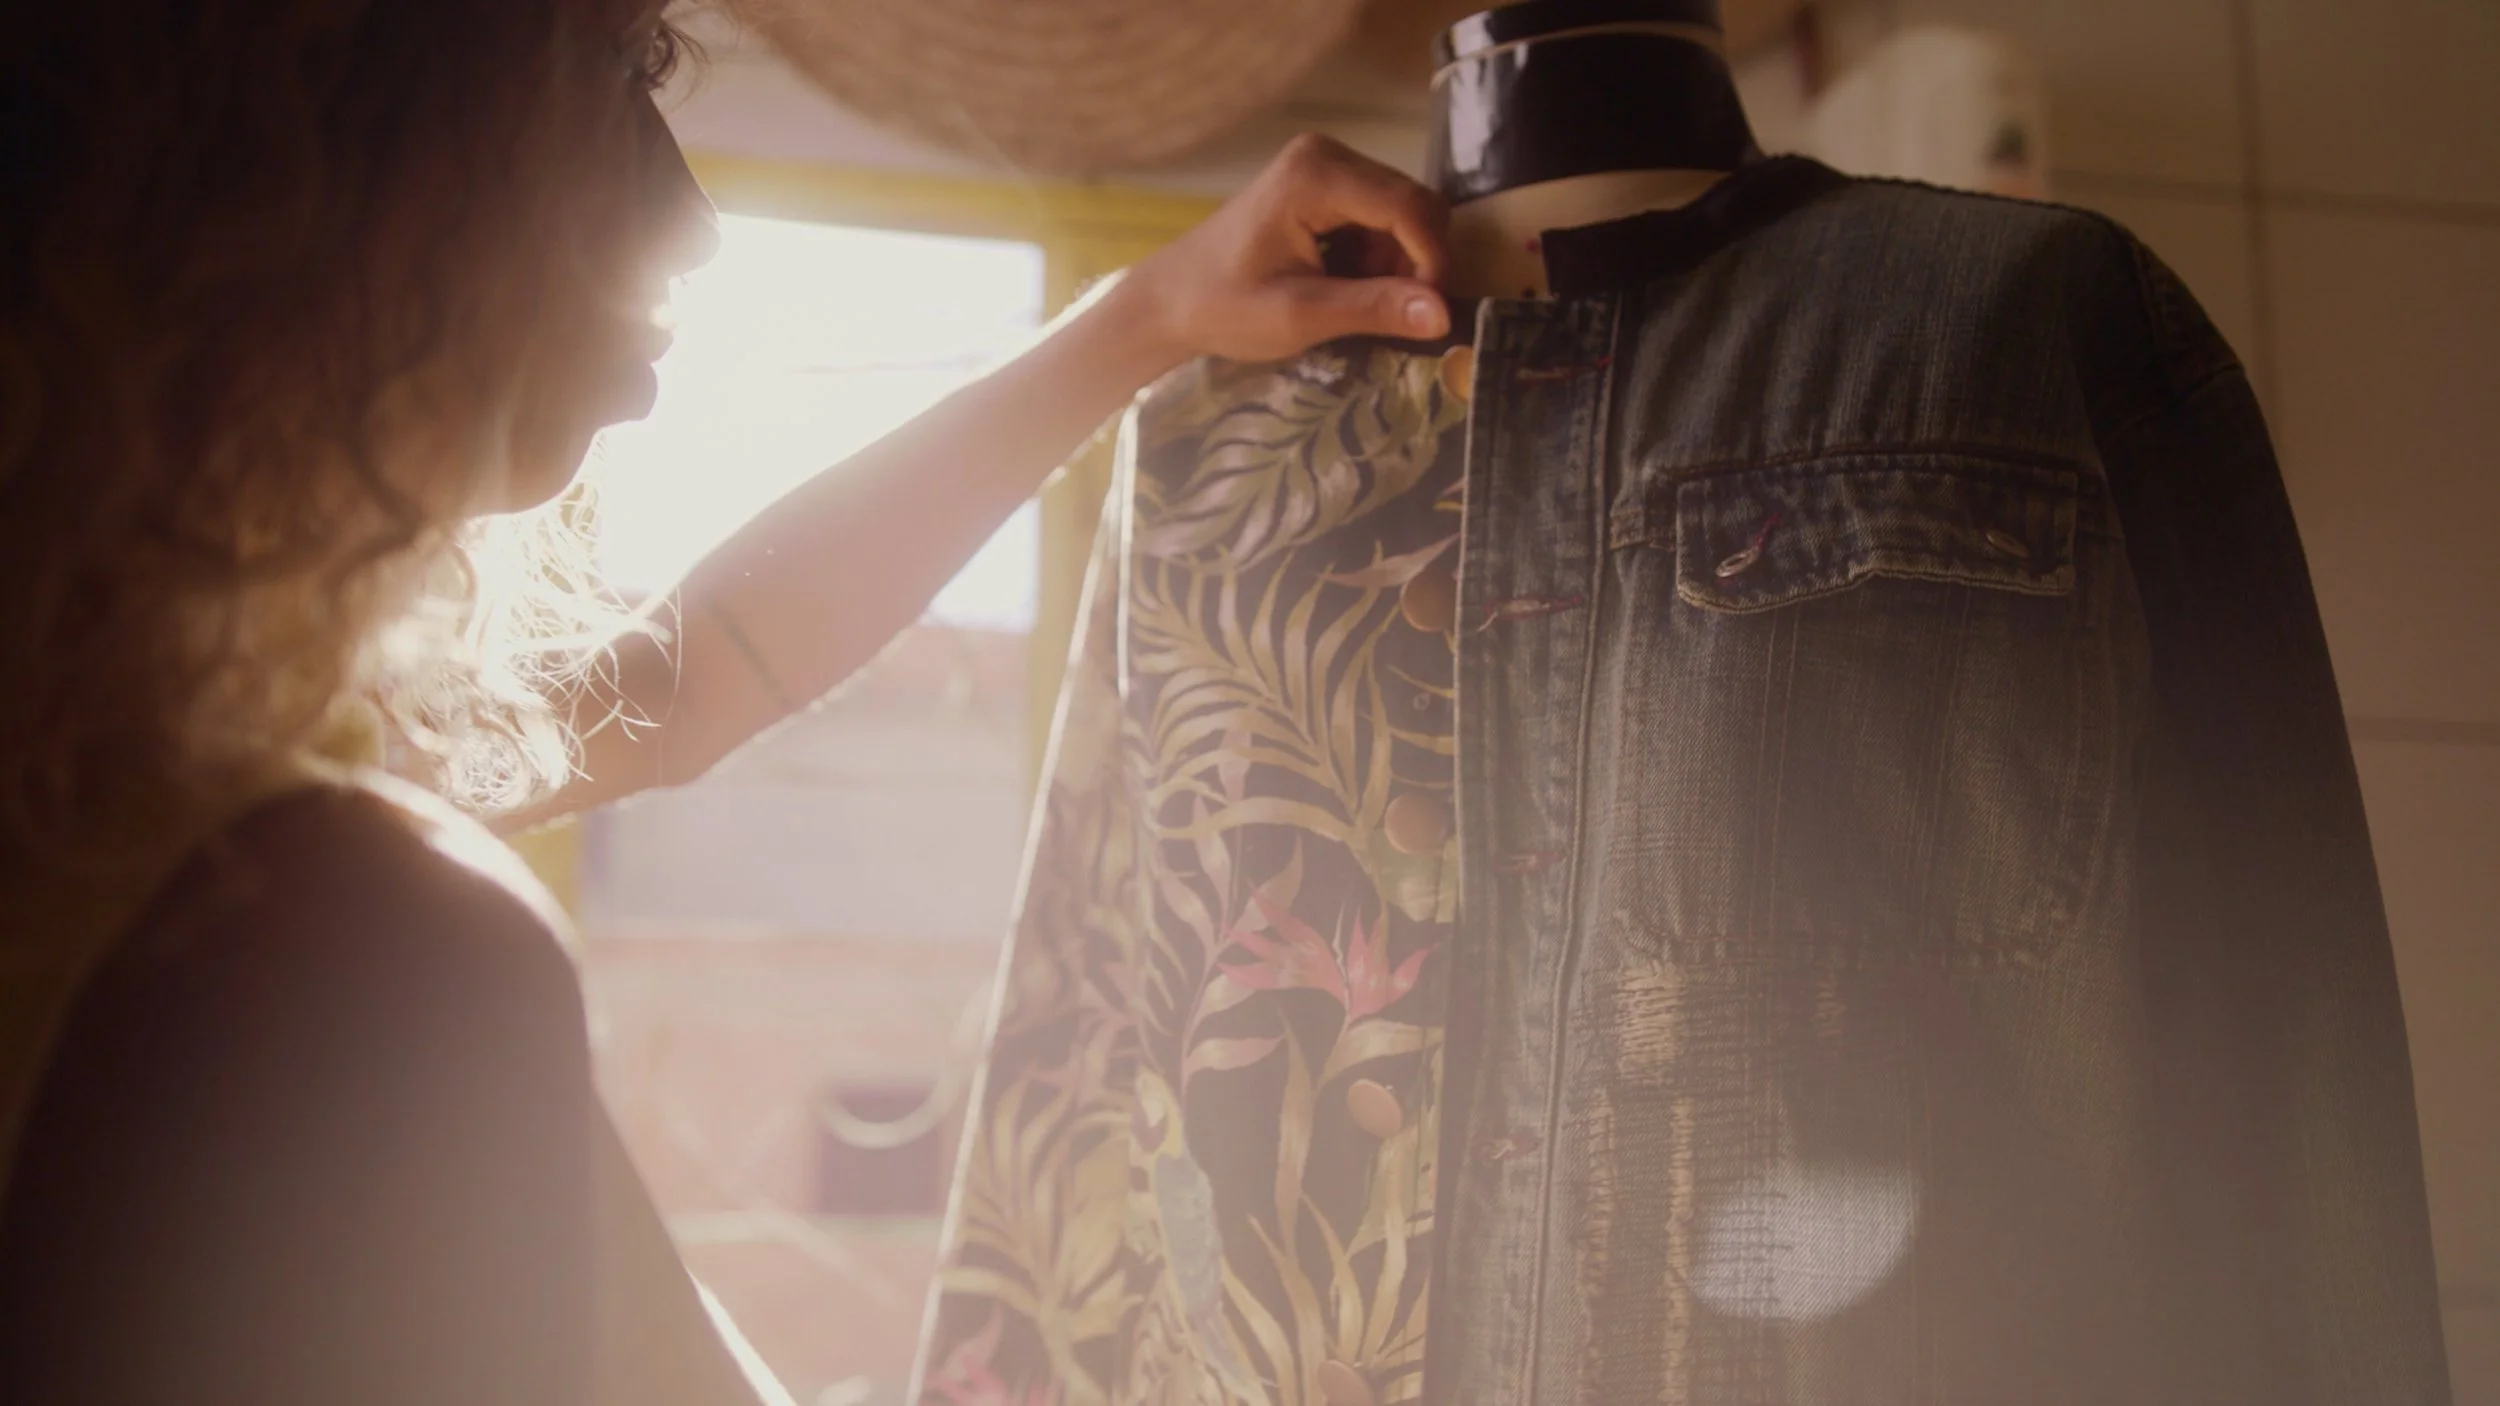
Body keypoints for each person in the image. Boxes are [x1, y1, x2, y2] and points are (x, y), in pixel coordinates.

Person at [0, 3, 1454, 1402]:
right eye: (610, 74)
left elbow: (687, 674)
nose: (688, 212)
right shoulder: (329, 935)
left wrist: (1144, 316)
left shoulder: (116, 783)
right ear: (318, 149)